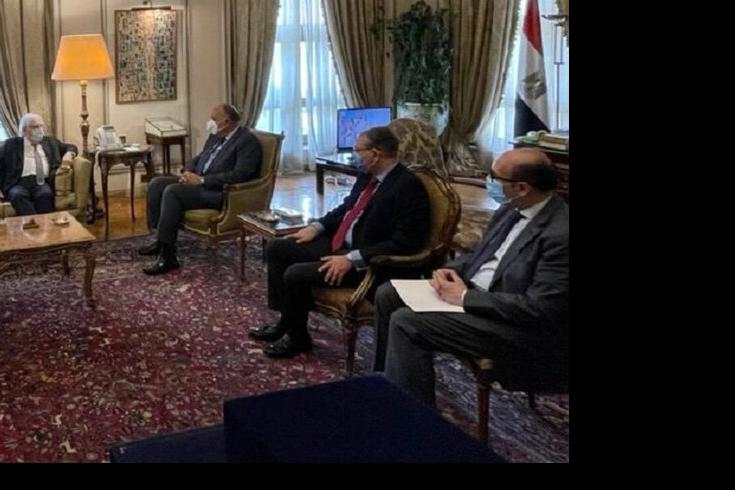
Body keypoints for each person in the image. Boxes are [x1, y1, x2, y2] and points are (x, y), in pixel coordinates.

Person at [373, 148, 569, 405]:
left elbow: (541, 309)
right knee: (388, 293)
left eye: (494, 177)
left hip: (515, 327)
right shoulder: (511, 208)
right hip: (476, 294)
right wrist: (451, 270)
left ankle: (414, 415)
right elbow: (482, 254)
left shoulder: (560, 233)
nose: (489, 182)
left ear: (522, 188)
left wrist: (465, 298)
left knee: (406, 322)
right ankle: (386, 384)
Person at [248, 126, 431, 359]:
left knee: (295, 273)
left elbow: (406, 242)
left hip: (370, 261)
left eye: (358, 150)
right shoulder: (369, 175)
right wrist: (316, 227)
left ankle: (297, 338)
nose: (355, 155)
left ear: (375, 154)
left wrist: (352, 259)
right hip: (340, 243)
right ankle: (286, 322)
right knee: (279, 248)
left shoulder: (407, 187)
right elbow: (347, 208)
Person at [138, 103, 263, 275]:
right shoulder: (216, 136)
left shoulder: (247, 141)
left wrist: (202, 180)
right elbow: (199, 158)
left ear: (227, 122)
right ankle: (160, 239)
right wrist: (188, 171)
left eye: (214, 119)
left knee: (173, 192)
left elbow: (240, 175)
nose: (210, 122)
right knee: (156, 183)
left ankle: (168, 256)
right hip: (200, 181)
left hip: (221, 192)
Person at [0, 113, 77, 216]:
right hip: (18, 183)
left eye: (41, 126)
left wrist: (69, 154)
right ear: (24, 130)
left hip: (41, 182)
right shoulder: (12, 144)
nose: (40, 130)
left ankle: (40, 223)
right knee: (17, 195)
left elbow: (71, 147)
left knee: (46, 194)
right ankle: (36, 222)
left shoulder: (50, 142)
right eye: (35, 127)